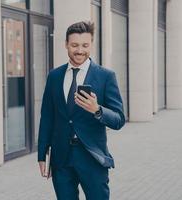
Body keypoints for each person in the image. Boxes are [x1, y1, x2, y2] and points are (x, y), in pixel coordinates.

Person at [37, 21, 125, 200]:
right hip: (61, 158)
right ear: (66, 45)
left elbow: (119, 119)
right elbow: (47, 117)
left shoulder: (106, 76)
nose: (80, 50)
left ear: (91, 44)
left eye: (85, 45)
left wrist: (97, 109)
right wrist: (42, 153)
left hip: (92, 157)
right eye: (74, 45)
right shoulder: (54, 76)